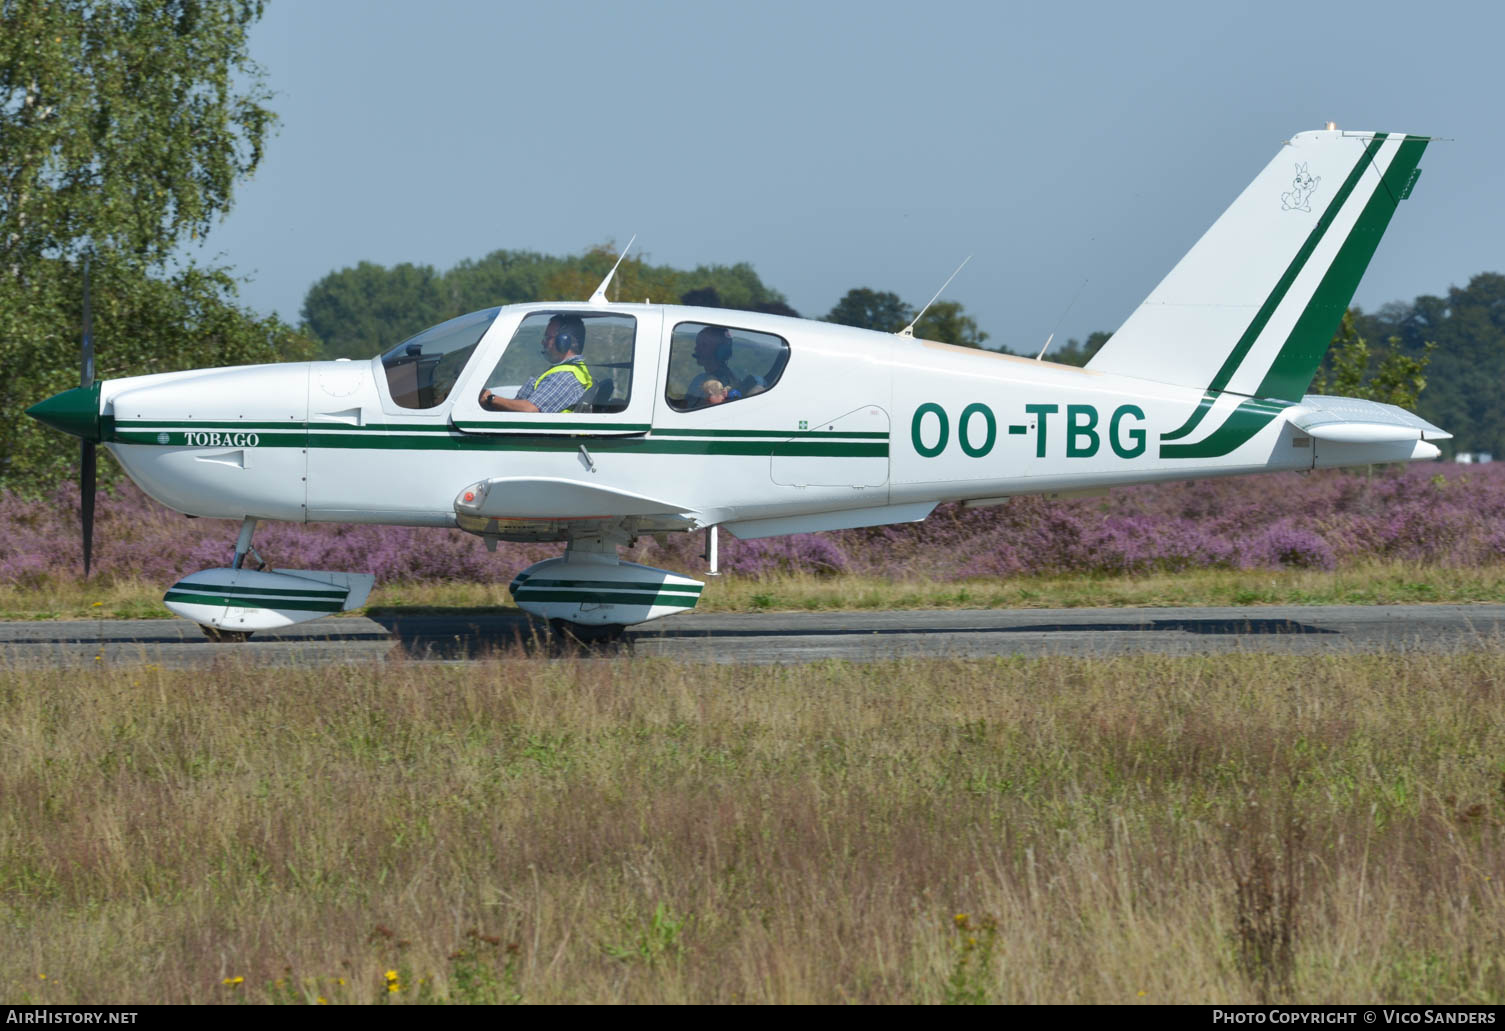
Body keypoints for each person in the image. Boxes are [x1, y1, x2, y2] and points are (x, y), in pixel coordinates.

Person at [479, 315, 592, 413]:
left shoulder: (565, 376)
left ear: (563, 341)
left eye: (548, 337)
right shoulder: (566, 371)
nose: (543, 342)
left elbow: (530, 409)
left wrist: (490, 398)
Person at [686, 325, 740, 407]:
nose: (696, 349)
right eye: (698, 344)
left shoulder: (716, 384)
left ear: (720, 351)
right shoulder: (730, 377)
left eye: (704, 345)